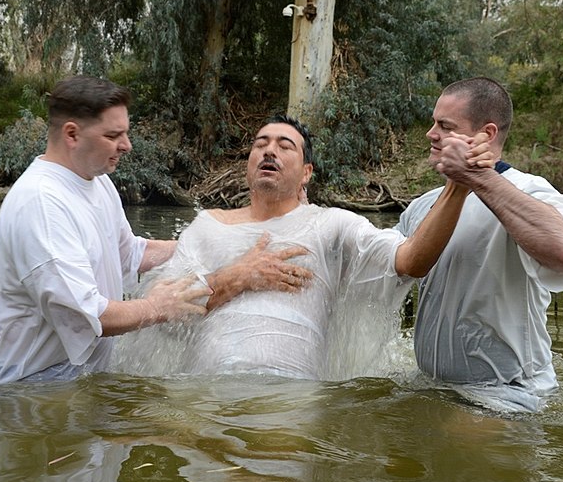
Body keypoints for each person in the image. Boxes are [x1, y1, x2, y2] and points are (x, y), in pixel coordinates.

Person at [0, 76, 311, 385]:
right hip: (29, 389)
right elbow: (88, 313)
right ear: (71, 134)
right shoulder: (42, 204)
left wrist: (218, 241)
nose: (127, 145)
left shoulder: (98, 183)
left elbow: (133, 253)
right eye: (113, 136)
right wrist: (157, 308)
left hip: (80, 381)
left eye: (126, 132)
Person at [111, 113, 490, 381]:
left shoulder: (331, 225)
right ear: (248, 164)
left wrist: (459, 185)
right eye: (260, 145)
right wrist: (238, 276)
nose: (269, 151)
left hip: (290, 396)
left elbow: (410, 262)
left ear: (306, 172)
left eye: (284, 146)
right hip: (204, 392)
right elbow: (166, 316)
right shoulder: (207, 225)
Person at [395, 77, 563, 412]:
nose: (430, 134)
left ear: (485, 135)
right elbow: (389, 271)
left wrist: (478, 176)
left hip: (509, 393)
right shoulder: (421, 206)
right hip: (429, 385)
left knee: (461, 446)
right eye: (434, 123)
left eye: (444, 125)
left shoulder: (531, 191)